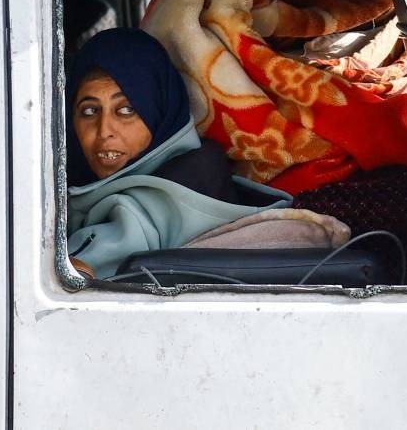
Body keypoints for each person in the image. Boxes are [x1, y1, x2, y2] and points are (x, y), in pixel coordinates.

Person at [66, 28, 349, 278]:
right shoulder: (202, 169)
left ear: (160, 111)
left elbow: (83, 274)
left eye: (127, 110)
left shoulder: (160, 201)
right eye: (89, 111)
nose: (104, 131)